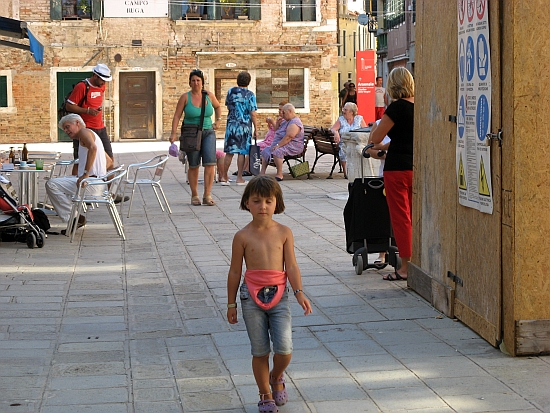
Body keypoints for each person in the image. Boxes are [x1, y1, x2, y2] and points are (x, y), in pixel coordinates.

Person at [226, 176, 312, 413]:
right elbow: (235, 271)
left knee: (284, 348)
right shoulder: (242, 236)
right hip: (250, 296)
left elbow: (291, 265)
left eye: (268, 201)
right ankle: (265, 394)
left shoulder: (284, 232)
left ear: (277, 203)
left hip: (279, 295)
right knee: (260, 350)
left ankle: (276, 375)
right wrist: (231, 303)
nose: (262, 206)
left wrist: (299, 292)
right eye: (256, 201)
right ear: (247, 203)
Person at [369, 67, 414, 281]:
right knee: (415, 217)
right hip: (416, 166)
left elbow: (376, 138)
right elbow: (408, 138)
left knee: (401, 218)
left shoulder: (396, 108)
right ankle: (417, 263)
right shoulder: (418, 105)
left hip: (397, 169)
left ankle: (405, 268)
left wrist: (377, 137)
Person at [46, 114, 110, 234]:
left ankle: (74, 218)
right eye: (64, 129)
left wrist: (86, 174)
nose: (66, 131)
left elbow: (93, 148)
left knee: (51, 184)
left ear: (77, 123)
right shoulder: (90, 135)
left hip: (91, 184)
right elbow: (109, 161)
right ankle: (74, 217)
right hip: (97, 183)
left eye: (67, 127)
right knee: (61, 183)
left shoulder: (84, 132)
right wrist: (99, 175)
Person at [169, 69, 222, 206]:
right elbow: (177, 116)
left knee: (210, 163)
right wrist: (173, 133)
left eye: (198, 80)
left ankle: (207, 194)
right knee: (193, 164)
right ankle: (194, 195)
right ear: (190, 83)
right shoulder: (185, 97)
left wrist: (218, 120)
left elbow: (217, 107)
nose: (196, 83)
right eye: (193, 80)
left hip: (208, 132)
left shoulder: (209, 96)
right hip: (191, 133)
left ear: (202, 82)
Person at [65, 63, 114, 172]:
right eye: (102, 80)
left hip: (100, 127)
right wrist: (87, 111)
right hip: (85, 128)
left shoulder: (102, 87)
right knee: (79, 161)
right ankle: (77, 181)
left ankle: (107, 182)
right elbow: (69, 106)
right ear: (95, 76)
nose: (104, 83)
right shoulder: (82, 87)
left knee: (109, 160)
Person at [220, 72, 258, 186]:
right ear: (248, 82)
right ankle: (239, 178)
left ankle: (224, 177)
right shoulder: (250, 95)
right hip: (244, 127)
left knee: (229, 152)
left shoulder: (231, 91)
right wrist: (256, 127)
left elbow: (228, 106)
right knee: (241, 153)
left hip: (231, 125)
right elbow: (253, 113)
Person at [366, 119, 391, 264]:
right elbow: (370, 149)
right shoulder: (379, 123)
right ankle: (382, 252)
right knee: (384, 213)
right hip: (385, 173)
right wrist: (384, 154)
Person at [259, 103, 304, 182]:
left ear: (290, 111)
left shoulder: (295, 122)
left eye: (284, 112)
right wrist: (278, 123)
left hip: (293, 146)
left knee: (277, 151)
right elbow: (277, 131)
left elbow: (289, 136)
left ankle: (279, 174)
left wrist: (278, 145)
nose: (282, 114)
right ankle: (262, 173)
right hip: (284, 144)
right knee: (266, 150)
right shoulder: (286, 121)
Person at [330, 102, 367, 179]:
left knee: (360, 149)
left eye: (345, 110)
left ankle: (359, 170)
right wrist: (336, 133)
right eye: (343, 109)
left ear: (351, 112)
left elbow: (365, 131)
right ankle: (346, 172)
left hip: (357, 143)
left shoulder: (359, 119)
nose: (343, 111)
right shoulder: (341, 119)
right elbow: (333, 129)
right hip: (345, 143)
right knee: (344, 150)